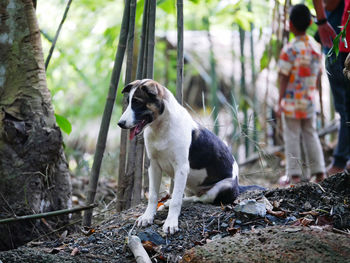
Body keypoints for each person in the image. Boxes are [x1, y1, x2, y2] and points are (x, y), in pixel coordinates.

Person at [277, 4, 326, 185]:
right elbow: (319, 76)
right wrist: (319, 99)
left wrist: (280, 101)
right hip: (308, 101)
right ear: (311, 22)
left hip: (291, 102)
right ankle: (319, 172)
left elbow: (283, 77)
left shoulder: (289, 49)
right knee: (310, 134)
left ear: (290, 25)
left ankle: (294, 175)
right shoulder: (315, 48)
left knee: (292, 135)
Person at [313, 0, 350, 175]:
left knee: (345, 109)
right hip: (339, 45)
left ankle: (340, 161)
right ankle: (341, 160)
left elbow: (330, 4)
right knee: (345, 109)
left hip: (340, 48)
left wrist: (321, 19)